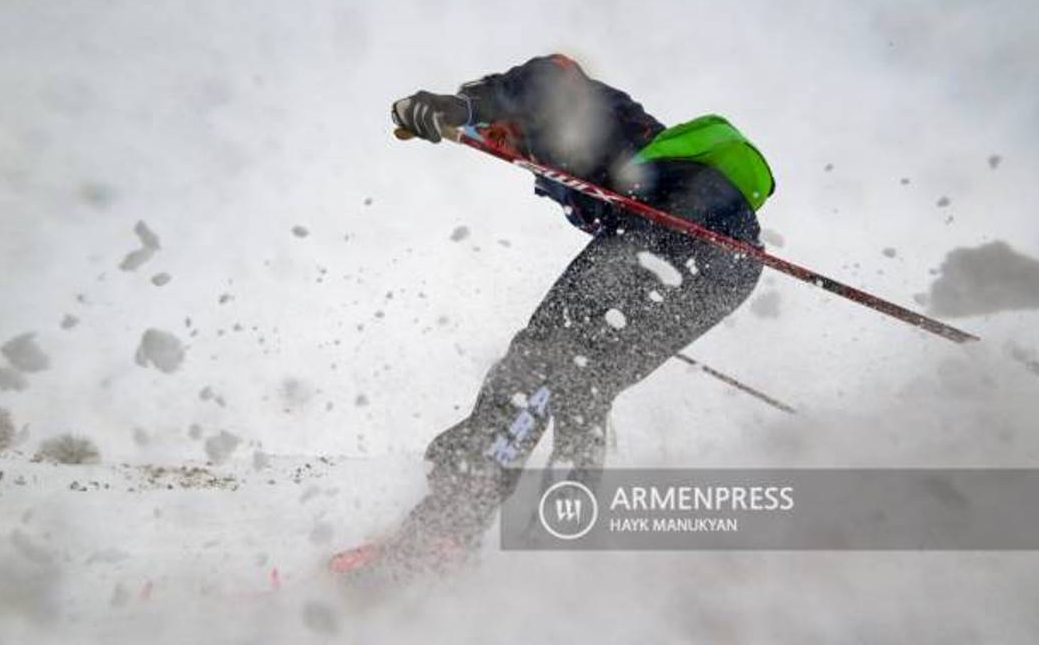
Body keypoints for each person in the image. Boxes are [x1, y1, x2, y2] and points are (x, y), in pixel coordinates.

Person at [331, 54, 775, 576]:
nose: (491, 143)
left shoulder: (562, 105)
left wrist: (458, 106)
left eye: (491, 131)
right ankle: (554, 545)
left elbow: (544, 78)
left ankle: (446, 528)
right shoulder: (578, 169)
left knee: (538, 360)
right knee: (585, 382)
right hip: (730, 268)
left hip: (679, 218)